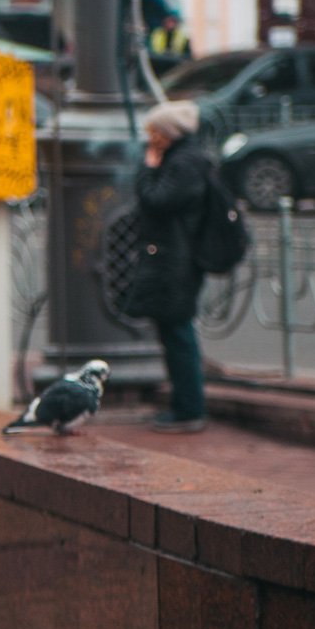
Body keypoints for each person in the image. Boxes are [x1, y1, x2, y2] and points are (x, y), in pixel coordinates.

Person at [121, 100, 209, 433]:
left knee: (178, 333)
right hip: (175, 257)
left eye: (154, 131)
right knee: (174, 331)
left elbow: (156, 200)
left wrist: (148, 167)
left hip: (178, 260)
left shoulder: (183, 163)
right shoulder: (186, 158)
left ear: (168, 133)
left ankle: (189, 409)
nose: (149, 137)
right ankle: (184, 406)